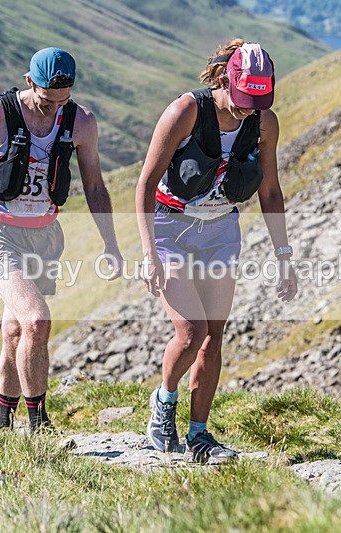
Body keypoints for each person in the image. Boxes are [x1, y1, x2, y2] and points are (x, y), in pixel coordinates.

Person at [0, 47, 123, 432]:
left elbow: (94, 185)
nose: (54, 109)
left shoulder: (82, 122)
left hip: (44, 236)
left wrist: (111, 244)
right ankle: (39, 423)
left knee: (16, 329)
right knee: (37, 320)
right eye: (45, 100)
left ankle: (4, 420)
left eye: (63, 101)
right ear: (29, 83)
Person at [135, 39, 298, 462]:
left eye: (258, 101)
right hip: (171, 228)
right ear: (226, 78)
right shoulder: (185, 112)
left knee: (214, 338)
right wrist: (149, 252)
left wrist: (284, 257)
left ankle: (200, 435)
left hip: (221, 231)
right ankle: (164, 403)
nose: (249, 109)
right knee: (191, 333)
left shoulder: (265, 123)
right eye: (244, 99)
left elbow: (271, 191)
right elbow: (146, 185)